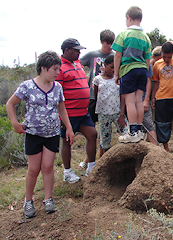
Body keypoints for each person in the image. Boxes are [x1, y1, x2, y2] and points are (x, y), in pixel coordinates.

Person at [6, 51, 75, 218]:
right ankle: (28, 201)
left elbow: (61, 109)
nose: (58, 72)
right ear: (43, 68)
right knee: (34, 169)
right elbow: (10, 104)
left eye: (58, 69)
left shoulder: (57, 87)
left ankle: (48, 199)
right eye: (55, 69)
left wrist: (69, 127)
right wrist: (15, 123)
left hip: (51, 134)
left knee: (48, 167)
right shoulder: (27, 86)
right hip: (33, 133)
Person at [56, 38, 98, 180]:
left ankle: (91, 167)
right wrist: (60, 116)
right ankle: (67, 172)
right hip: (69, 113)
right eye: (76, 50)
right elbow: (57, 92)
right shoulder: (59, 68)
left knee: (92, 134)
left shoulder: (78, 63)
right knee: (67, 141)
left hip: (82, 111)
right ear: (66, 51)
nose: (79, 52)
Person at [111, 6, 152, 143]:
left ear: (128, 18)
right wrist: (145, 72)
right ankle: (139, 131)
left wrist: (116, 74)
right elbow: (147, 59)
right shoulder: (146, 37)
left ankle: (132, 132)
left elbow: (117, 56)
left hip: (128, 69)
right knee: (138, 100)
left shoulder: (123, 34)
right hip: (142, 70)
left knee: (130, 101)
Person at [78, 29, 115, 170]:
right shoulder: (92, 55)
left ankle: (100, 158)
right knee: (91, 130)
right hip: (93, 97)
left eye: (111, 43)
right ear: (101, 41)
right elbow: (77, 64)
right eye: (106, 43)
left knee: (104, 129)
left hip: (109, 100)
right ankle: (88, 159)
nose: (109, 46)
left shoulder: (115, 55)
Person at [93, 54, 128, 158]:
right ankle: (105, 162)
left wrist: (122, 114)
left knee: (127, 133)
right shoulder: (97, 80)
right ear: (105, 65)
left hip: (117, 113)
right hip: (104, 114)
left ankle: (126, 157)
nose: (114, 69)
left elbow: (122, 97)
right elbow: (96, 96)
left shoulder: (119, 79)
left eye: (116, 67)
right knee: (105, 141)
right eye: (111, 67)